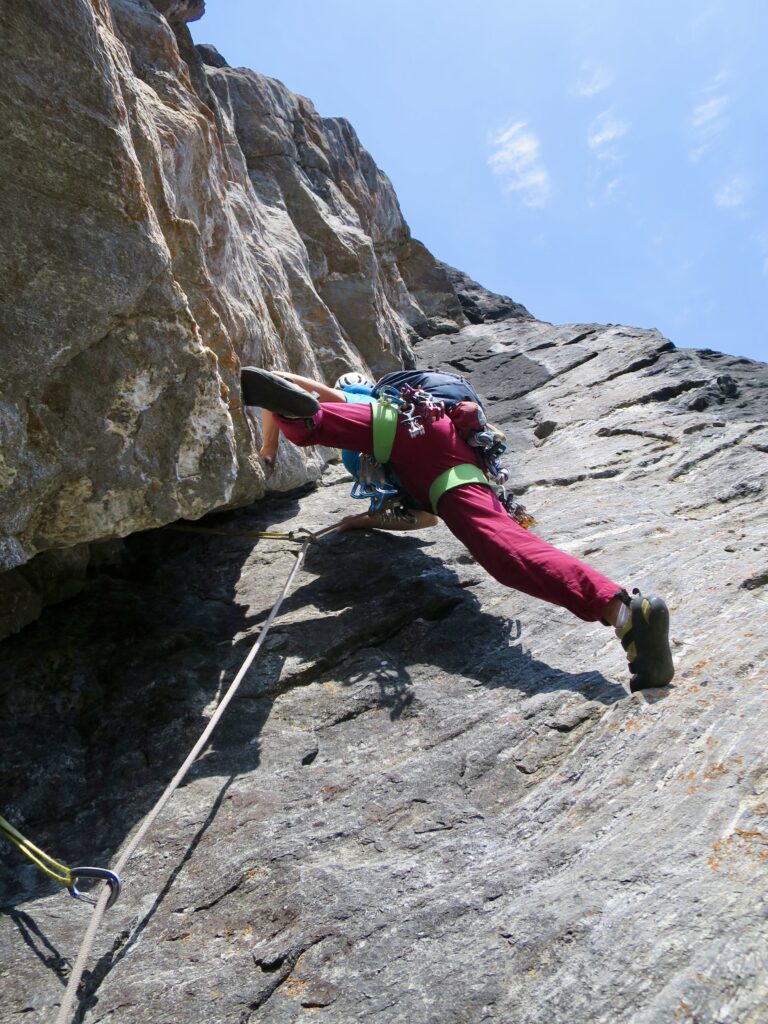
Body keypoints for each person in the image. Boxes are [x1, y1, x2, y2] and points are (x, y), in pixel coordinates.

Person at [240, 366, 675, 692]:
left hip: (398, 426)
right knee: (504, 548)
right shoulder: (405, 474)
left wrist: (269, 441)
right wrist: (360, 520)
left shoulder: (361, 394)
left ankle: (622, 609)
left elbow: (297, 388)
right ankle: (622, 614)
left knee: (311, 423)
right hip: (444, 457)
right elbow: (425, 519)